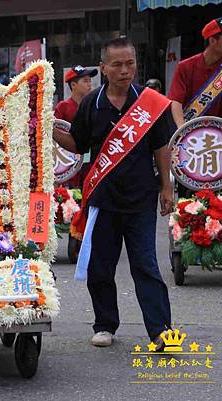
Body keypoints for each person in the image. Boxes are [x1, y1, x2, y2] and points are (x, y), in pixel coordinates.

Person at [53, 37, 175, 348]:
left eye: (130, 63)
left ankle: (160, 330)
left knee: (145, 264)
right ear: (104, 68)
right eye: (117, 65)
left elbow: (160, 146)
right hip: (104, 199)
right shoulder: (92, 104)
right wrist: (46, 126)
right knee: (101, 265)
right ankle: (105, 324)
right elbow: (77, 145)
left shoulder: (149, 102)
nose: (125, 70)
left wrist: (166, 186)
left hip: (141, 198)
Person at [168, 17, 222, 127]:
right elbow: (176, 101)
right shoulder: (185, 67)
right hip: (191, 134)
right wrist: (182, 129)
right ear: (213, 41)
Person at [54, 65, 97, 189]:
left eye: (90, 81)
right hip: (70, 163)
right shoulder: (63, 107)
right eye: (85, 81)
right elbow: (57, 137)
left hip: (91, 163)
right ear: (73, 85)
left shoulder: (95, 105)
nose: (89, 84)